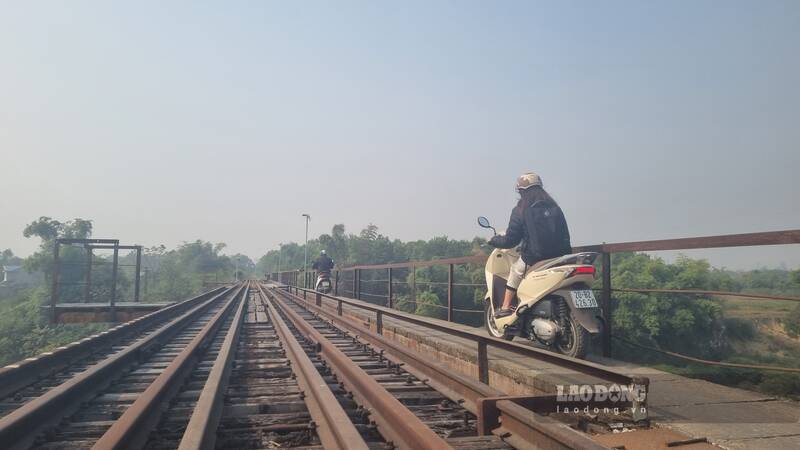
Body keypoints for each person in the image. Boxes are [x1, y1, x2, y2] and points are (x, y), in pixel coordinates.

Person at [488, 172, 572, 318]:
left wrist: (493, 240)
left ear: (521, 191)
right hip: (561, 257)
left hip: (536, 257)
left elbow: (510, 241)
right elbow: (565, 234)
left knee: (516, 270)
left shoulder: (521, 210)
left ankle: (506, 306)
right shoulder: (555, 207)